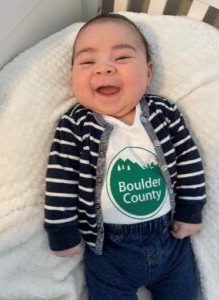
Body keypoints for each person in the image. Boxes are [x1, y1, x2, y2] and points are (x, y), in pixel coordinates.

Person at [44, 13, 206, 300]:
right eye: (87, 62)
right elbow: (60, 180)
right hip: (108, 250)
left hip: (170, 242)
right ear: (72, 77)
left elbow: (189, 160)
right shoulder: (74, 125)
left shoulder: (164, 113)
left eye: (121, 58)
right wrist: (61, 231)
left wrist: (191, 212)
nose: (104, 69)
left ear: (148, 71)